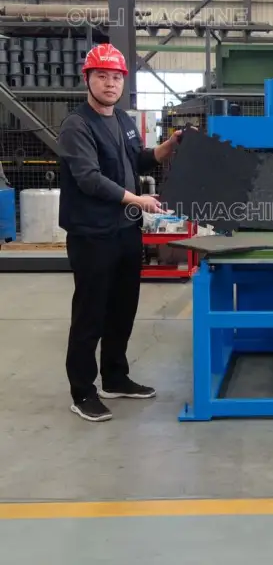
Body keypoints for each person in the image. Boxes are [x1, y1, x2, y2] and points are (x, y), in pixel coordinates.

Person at [57, 43, 182, 422]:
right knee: (90, 313)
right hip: (92, 234)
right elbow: (89, 179)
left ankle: (115, 377)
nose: (110, 84)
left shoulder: (124, 120)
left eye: (116, 77)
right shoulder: (76, 126)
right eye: (102, 76)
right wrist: (138, 199)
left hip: (126, 230)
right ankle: (82, 392)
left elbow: (137, 159)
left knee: (122, 309)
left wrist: (166, 147)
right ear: (87, 79)